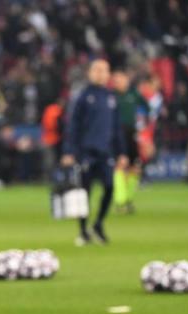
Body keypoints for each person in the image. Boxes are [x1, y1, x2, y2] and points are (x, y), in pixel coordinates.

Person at [61, 59, 128, 245]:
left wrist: (122, 152)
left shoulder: (111, 97)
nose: (100, 73)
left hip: (106, 152)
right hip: (86, 152)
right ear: (90, 73)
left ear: (108, 74)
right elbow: (73, 126)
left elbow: (117, 128)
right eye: (97, 70)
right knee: (84, 193)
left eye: (104, 70)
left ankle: (98, 223)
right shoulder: (82, 96)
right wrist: (69, 151)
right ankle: (83, 231)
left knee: (110, 187)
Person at [111, 71, 148, 214]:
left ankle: (128, 200)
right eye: (116, 80)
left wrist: (143, 130)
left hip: (132, 133)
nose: (118, 82)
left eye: (120, 79)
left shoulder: (134, 94)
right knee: (120, 164)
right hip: (117, 134)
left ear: (126, 80)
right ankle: (120, 202)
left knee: (135, 167)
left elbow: (147, 109)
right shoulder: (111, 96)